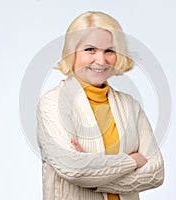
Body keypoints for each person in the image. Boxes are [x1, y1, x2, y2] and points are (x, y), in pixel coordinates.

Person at [36, 11, 164, 200]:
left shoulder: (130, 106)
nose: (101, 60)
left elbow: (156, 172)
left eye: (109, 51)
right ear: (72, 52)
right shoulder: (52, 104)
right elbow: (74, 170)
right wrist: (131, 161)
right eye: (90, 49)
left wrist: (94, 173)